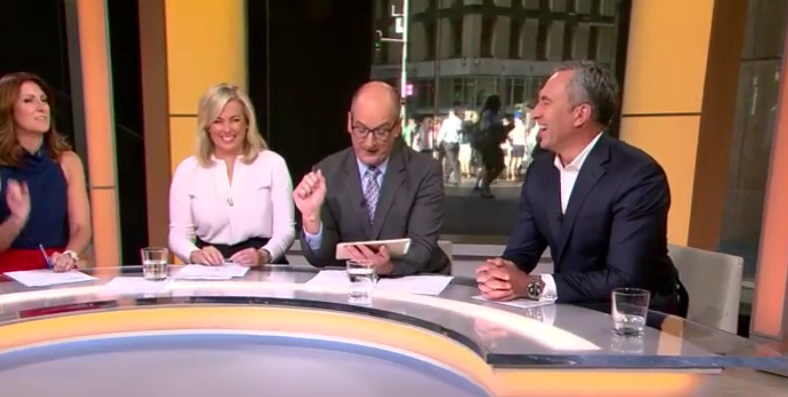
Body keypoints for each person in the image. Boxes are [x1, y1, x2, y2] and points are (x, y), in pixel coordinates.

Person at [476, 61, 686, 315]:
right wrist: (499, 274)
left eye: (546, 102)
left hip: (635, 318)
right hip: (570, 310)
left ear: (580, 114)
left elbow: (625, 279)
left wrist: (532, 286)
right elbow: (521, 252)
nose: (535, 113)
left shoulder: (638, 175)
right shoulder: (540, 172)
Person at [293, 81, 450, 277]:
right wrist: (311, 217)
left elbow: (422, 248)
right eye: (361, 130)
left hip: (413, 280)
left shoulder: (425, 171)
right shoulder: (327, 172)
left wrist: (387, 267)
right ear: (349, 122)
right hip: (353, 282)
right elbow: (321, 259)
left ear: (397, 127)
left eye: (381, 132)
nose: (369, 143)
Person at [0, 72, 91, 275]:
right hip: (4, 275)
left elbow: (81, 227)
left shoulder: (69, 162)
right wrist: (16, 220)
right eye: (28, 100)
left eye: (43, 100)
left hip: (57, 268)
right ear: (8, 111)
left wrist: (69, 255)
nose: (41, 107)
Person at [168, 83, 294, 267]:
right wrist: (194, 254)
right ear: (207, 127)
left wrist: (264, 255)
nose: (227, 129)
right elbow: (178, 235)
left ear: (247, 123)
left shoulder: (273, 164)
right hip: (211, 269)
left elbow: (286, 231)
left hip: (264, 267)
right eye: (218, 121)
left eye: (235, 120)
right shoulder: (188, 170)